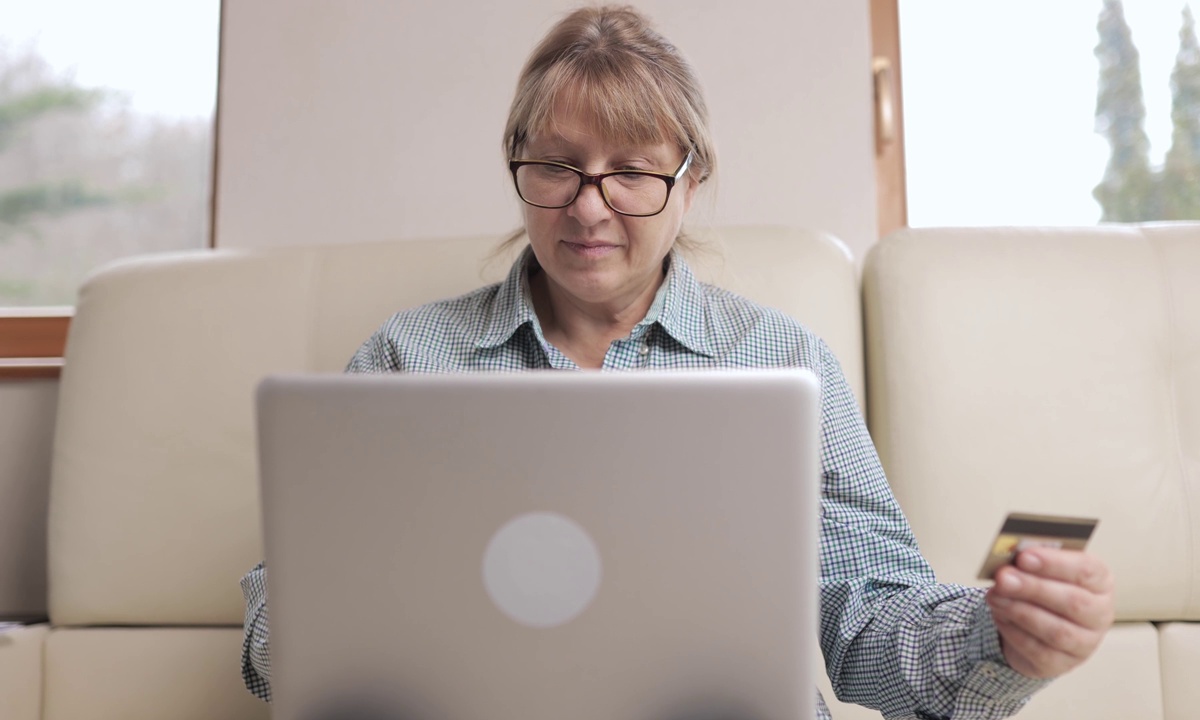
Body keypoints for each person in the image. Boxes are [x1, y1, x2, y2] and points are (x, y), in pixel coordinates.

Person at [241, 6, 1115, 719]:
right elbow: (278, 625)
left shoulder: (781, 363)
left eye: (632, 171)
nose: (590, 206)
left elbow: (869, 624)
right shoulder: (407, 358)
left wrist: (1002, 639)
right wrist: (336, 635)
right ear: (518, 166)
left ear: (690, 180)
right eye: (558, 166)